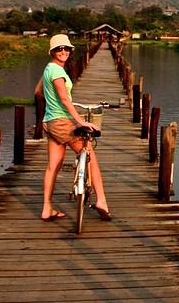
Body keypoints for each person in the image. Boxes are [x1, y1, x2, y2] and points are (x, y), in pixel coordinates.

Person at [35, 34, 111, 221]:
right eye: (59, 49)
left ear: (70, 50)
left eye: (66, 48)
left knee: (53, 166)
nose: (63, 52)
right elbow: (64, 99)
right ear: (52, 51)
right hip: (63, 122)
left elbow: (38, 92)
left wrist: (52, 103)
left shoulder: (48, 69)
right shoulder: (58, 72)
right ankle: (101, 201)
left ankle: (47, 208)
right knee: (91, 157)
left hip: (50, 122)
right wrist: (81, 121)